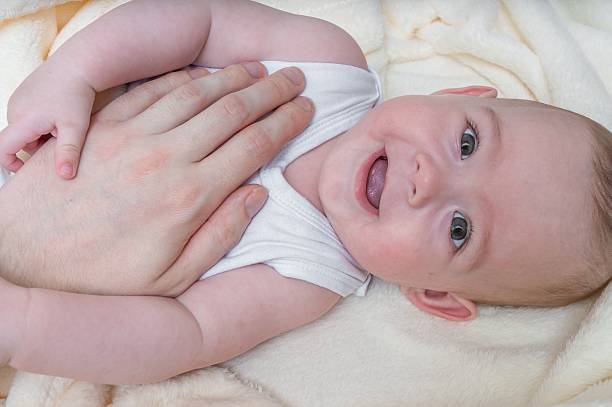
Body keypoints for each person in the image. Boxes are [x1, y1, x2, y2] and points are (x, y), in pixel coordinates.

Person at [0, 0, 610, 384]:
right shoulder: (326, 65)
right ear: (456, 97)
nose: (429, 180)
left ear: (434, 294)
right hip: (37, 131)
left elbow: (175, 336)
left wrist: (22, 324)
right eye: (469, 144)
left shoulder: (306, 278)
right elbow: (196, 17)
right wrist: (73, 74)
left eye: (460, 229)